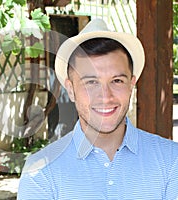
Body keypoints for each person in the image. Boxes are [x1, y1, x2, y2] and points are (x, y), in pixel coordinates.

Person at [17, 19, 178, 199]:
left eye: (117, 81)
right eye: (91, 82)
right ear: (71, 90)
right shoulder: (40, 171)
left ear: (131, 85)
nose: (105, 96)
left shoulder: (171, 160)